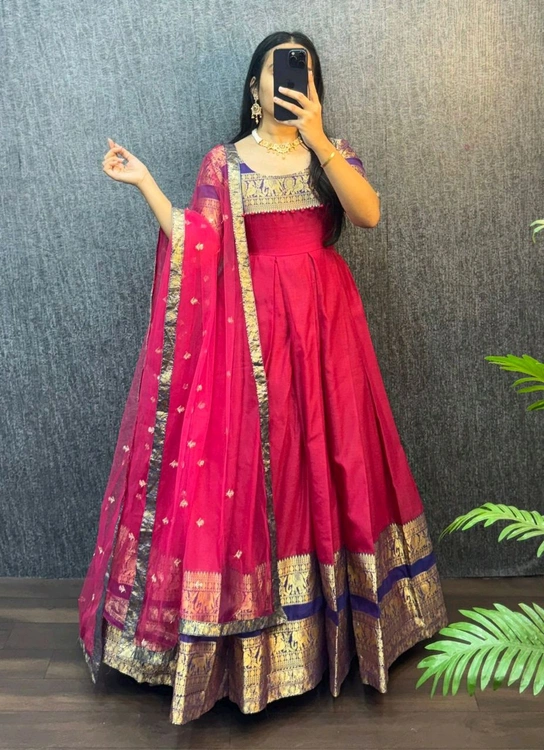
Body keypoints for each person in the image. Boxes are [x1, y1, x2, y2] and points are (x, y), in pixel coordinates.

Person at [78, 31, 448, 725]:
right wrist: (146, 183)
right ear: (255, 86)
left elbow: (367, 214)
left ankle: (346, 625)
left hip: (328, 329)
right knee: (262, 470)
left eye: (304, 71)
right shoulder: (225, 162)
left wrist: (319, 138)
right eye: (280, 70)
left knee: (336, 457)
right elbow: (199, 244)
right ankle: (258, 643)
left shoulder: (329, 155)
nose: (291, 80)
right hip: (251, 338)